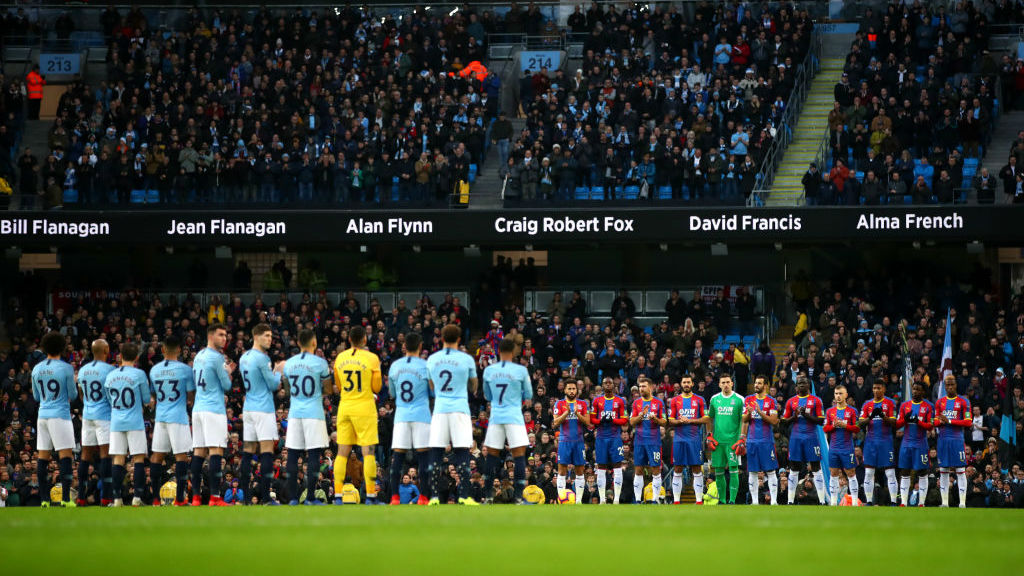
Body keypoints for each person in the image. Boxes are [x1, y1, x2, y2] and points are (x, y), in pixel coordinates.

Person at [425, 324, 479, 505]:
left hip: (440, 409)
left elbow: (431, 386)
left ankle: (433, 497)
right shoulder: (466, 359)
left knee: (436, 452)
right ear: (458, 339)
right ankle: (464, 496)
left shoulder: (432, 359)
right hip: (460, 409)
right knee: (463, 451)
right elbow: (474, 385)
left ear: (442, 339)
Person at [333, 325, 383, 505]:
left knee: (341, 453)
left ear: (349, 340)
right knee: (368, 452)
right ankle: (370, 496)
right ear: (364, 340)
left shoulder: (340, 357)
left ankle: (338, 496)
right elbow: (377, 388)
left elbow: (338, 386)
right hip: (364, 408)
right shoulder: (372, 358)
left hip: (345, 407)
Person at [283, 329, 332, 505]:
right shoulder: (320, 363)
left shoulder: (289, 364)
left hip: (295, 413)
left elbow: (287, 390)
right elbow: (328, 390)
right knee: (313, 455)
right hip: (314, 413)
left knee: (292, 456)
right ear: (314, 343)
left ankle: (293, 499)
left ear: (298, 343)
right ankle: (310, 497)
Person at [481, 337, 533, 503]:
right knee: (519, 456)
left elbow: (487, 395)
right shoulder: (520, 371)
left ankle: (488, 496)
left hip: (496, 416)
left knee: (492, 456)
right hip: (514, 417)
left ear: (499, 351)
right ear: (513, 352)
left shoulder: (489, 371)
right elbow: (529, 394)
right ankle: (518, 497)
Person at [190, 323, 236, 507]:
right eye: (221, 335)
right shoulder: (217, 358)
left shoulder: (199, 355)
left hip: (198, 409)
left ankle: (195, 497)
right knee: (216, 451)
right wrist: (229, 371)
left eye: (225, 335)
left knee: (199, 452)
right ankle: (215, 497)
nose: (224, 338)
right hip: (213, 409)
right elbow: (226, 385)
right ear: (211, 336)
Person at [239, 323, 285, 504]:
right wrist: (278, 372)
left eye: (270, 336)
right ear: (256, 336)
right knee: (266, 452)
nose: (270, 339)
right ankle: (266, 498)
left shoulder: (244, 357)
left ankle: (246, 499)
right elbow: (273, 385)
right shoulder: (262, 358)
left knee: (248, 452)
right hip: (263, 409)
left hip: (249, 408)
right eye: (266, 336)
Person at [31, 331, 78, 507]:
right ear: (63, 347)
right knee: (65, 456)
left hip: (42, 415)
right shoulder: (66, 368)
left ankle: (44, 500)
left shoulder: (36, 368)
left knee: (43, 456)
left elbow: (36, 396)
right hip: (60, 415)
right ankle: (66, 499)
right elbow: (72, 395)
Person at [104, 342, 154, 507]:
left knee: (118, 459)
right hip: (135, 421)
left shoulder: (110, 375)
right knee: (138, 458)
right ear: (137, 357)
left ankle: (117, 499)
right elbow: (146, 400)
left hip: (116, 421)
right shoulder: (139, 374)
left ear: (120, 356)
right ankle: (137, 498)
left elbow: (109, 399)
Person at [149, 335, 196, 506]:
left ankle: (155, 499)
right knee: (181, 456)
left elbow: (153, 394)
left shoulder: (154, 370)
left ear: (162, 350)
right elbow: (191, 395)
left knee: (157, 456)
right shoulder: (185, 370)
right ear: (179, 350)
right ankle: (180, 500)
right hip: (178, 417)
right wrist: (188, 399)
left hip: (161, 417)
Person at [387, 332, 432, 505]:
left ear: (404, 345)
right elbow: (432, 391)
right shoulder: (426, 366)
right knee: (423, 458)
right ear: (420, 346)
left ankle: (394, 497)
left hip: (402, 416)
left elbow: (391, 393)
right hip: (421, 415)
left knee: (397, 457)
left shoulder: (395, 366)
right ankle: (423, 497)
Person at [76, 339, 115, 506]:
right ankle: (106, 498)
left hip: (87, 414)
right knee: (105, 454)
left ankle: (80, 497)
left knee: (85, 454)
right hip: (104, 415)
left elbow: (80, 393)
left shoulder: (83, 370)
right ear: (106, 349)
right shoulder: (110, 370)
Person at [780, 375, 827, 505]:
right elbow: (783, 422)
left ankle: (822, 500)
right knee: (794, 468)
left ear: (808, 385)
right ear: (796, 387)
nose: (801, 385)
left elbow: (821, 420)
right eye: (799, 383)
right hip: (795, 438)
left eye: (804, 383)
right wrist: (795, 416)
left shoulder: (816, 400)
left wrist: (806, 415)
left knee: (816, 468)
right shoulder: (790, 401)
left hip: (811, 437)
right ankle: (790, 500)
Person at [738, 375, 780, 505]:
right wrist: (750, 413)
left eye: (759, 383)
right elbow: (744, 420)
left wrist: (759, 411)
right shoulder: (748, 399)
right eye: (755, 383)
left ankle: (774, 501)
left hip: (767, 441)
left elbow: (774, 421)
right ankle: (755, 502)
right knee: (753, 471)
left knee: (771, 471)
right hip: (752, 441)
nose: (756, 385)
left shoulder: (771, 401)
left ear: (766, 385)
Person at [668, 375, 709, 504]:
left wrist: (690, 420)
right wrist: (679, 421)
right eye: (684, 382)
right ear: (681, 384)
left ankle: (698, 500)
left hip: (694, 439)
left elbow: (706, 418)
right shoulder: (675, 400)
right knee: (677, 468)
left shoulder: (700, 399)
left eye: (688, 382)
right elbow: (670, 420)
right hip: (679, 438)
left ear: (692, 384)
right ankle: (676, 500)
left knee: (696, 468)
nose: (686, 384)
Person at [856, 380, 899, 505]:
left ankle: (893, 501)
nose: (876, 390)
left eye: (878, 388)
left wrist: (883, 416)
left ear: (884, 389)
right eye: (874, 388)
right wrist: (870, 417)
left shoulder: (890, 403)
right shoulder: (867, 404)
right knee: (869, 472)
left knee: (890, 472)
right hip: (870, 442)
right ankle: (869, 501)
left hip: (886, 441)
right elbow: (860, 423)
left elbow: (894, 422)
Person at [934, 375, 972, 508]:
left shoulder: (963, 401)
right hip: (943, 440)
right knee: (943, 470)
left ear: (956, 385)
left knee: (960, 470)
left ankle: (962, 503)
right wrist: (939, 421)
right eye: (947, 385)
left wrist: (949, 421)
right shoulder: (940, 402)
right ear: (944, 387)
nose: (950, 387)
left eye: (952, 385)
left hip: (957, 439)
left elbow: (968, 422)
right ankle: (944, 503)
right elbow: (936, 420)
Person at [590, 376, 628, 504]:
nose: (607, 385)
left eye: (610, 382)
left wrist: (613, 420)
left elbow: (624, 419)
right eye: (605, 383)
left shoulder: (620, 401)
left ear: (613, 385)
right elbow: (592, 419)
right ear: (602, 385)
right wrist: (601, 420)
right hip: (601, 438)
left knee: (617, 465)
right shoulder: (597, 401)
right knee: (601, 467)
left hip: (615, 438)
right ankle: (602, 499)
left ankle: (616, 499)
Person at [707, 373, 745, 504]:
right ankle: (722, 500)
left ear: (732, 383)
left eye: (728, 382)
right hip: (718, 441)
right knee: (718, 471)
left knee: (734, 469)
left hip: (733, 442)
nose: (726, 385)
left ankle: (732, 500)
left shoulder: (740, 399)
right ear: (719, 384)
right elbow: (709, 418)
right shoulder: (714, 399)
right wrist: (709, 435)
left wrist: (742, 438)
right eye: (723, 382)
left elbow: (744, 420)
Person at [896, 382, 934, 507]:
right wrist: (904, 420)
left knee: (922, 472)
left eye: (918, 389)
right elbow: (896, 425)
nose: (915, 391)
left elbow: (930, 426)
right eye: (914, 389)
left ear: (923, 392)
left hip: (921, 443)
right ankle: (903, 502)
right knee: (905, 472)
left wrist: (918, 422)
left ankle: (921, 502)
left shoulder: (929, 406)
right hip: (906, 443)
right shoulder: (904, 405)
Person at [629, 377, 666, 503]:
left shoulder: (659, 403)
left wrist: (656, 419)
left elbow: (665, 422)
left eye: (644, 386)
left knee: (656, 469)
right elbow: (631, 422)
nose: (641, 389)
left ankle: (655, 499)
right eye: (640, 386)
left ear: (650, 387)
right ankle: (638, 500)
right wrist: (641, 415)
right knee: (638, 470)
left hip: (654, 441)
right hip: (639, 441)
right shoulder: (636, 403)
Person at [823, 385, 861, 506]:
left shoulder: (852, 411)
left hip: (847, 448)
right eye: (836, 393)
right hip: (833, 448)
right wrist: (834, 425)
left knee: (851, 474)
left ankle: (855, 502)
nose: (838, 396)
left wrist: (844, 425)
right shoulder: (830, 411)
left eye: (840, 393)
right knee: (833, 474)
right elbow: (825, 428)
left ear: (846, 395)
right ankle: (834, 502)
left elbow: (857, 428)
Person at [553, 379, 589, 503]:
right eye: (569, 389)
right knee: (561, 470)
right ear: (565, 390)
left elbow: (588, 422)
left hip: (578, 441)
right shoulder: (559, 404)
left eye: (574, 389)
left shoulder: (583, 403)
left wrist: (577, 413)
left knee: (579, 471)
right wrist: (567, 412)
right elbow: (555, 422)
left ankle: (578, 501)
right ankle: (561, 499)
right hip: (564, 441)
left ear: (577, 390)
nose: (572, 391)